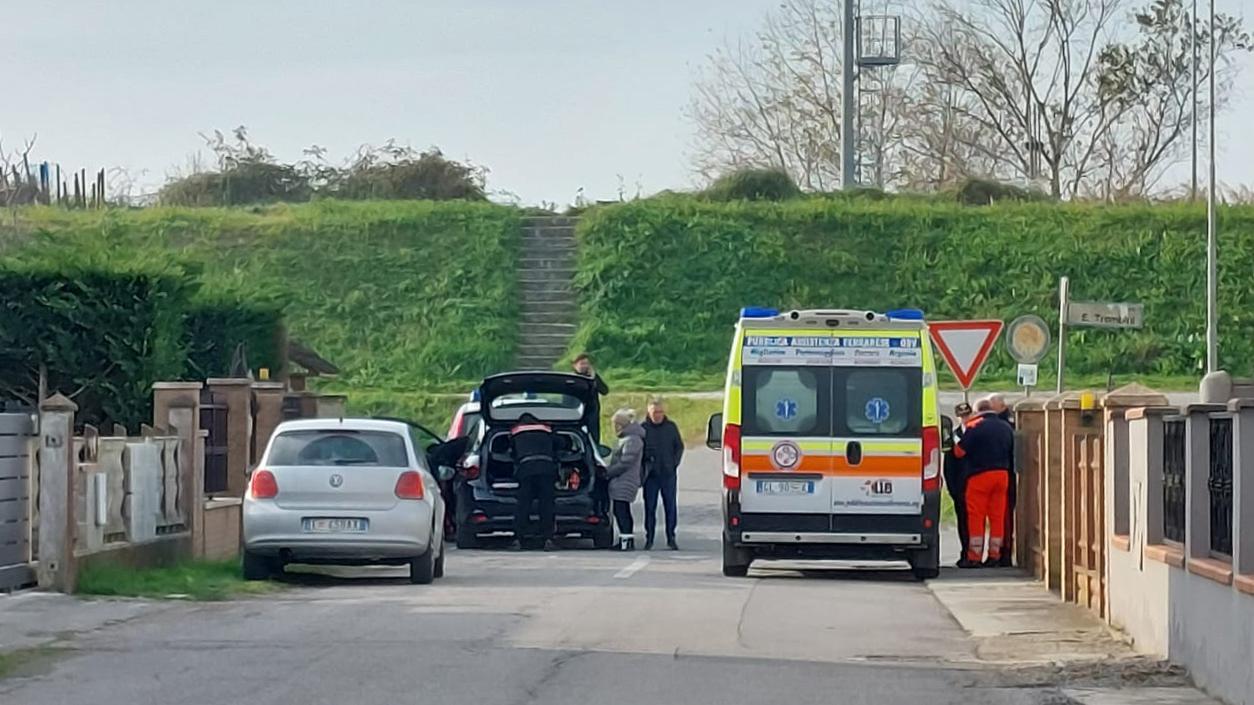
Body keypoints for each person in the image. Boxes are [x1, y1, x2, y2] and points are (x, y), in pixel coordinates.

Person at [954, 398, 1015, 568]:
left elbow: (959, 452)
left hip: (979, 476)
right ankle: (995, 555)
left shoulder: (975, 427)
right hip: (1002, 476)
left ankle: (974, 556)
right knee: (997, 517)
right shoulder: (1006, 428)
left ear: (977, 411)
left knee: (976, 516)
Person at [509, 413, 559, 551]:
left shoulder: (515, 432)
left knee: (523, 506)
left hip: (526, 471)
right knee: (546, 505)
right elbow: (562, 445)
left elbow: (511, 453)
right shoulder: (547, 430)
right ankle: (548, 539)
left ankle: (519, 539)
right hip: (546, 471)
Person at [641, 397, 684, 551]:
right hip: (651, 476)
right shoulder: (643, 428)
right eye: (654, 412)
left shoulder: (671, 427)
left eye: (660, 412)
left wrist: (673, 464)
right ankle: (649, 537)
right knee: (650, 507)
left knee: (670, 506)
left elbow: (679, 447)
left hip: (668, 474)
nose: (657, 415)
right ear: (648, 412)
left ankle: (671, 537)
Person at [606, 408, 645, 551]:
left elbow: (625, 462)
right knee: (621, 510)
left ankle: (627, 542)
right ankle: (625, 540)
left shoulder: (632, 440)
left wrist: (608, 472)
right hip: (621, 480)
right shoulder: (627, 438)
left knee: (622, 511)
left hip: (625, 480)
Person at [988, 393, 1017, 567]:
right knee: (1001, 517)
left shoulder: (1006, 426)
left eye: (992, 407)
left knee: (1003, 518)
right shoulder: (1008, 425)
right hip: (1005, 475)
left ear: (1001, 406)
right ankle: (1000, 552)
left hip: (1004, 476)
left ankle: (1002, 553)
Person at [943, 402, 973, 566]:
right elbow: (948, 465)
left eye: (967, 415)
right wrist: (952, 489)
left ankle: (975, 555)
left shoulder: (977, 433)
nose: (965, 419)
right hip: (960, 487)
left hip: (976, 483)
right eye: (962, 416)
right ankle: (965, 552)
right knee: (963, 522)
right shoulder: (953, 437)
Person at [573, 353, 610, 444]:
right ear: (575, 365)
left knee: (594, 437)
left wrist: (594, 377)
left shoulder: (593, 378)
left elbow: (604, 391)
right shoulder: (572, 378)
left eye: (586, 364)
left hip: (592, 412)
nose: (584, 366)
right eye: (582, 364)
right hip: (576, 413)